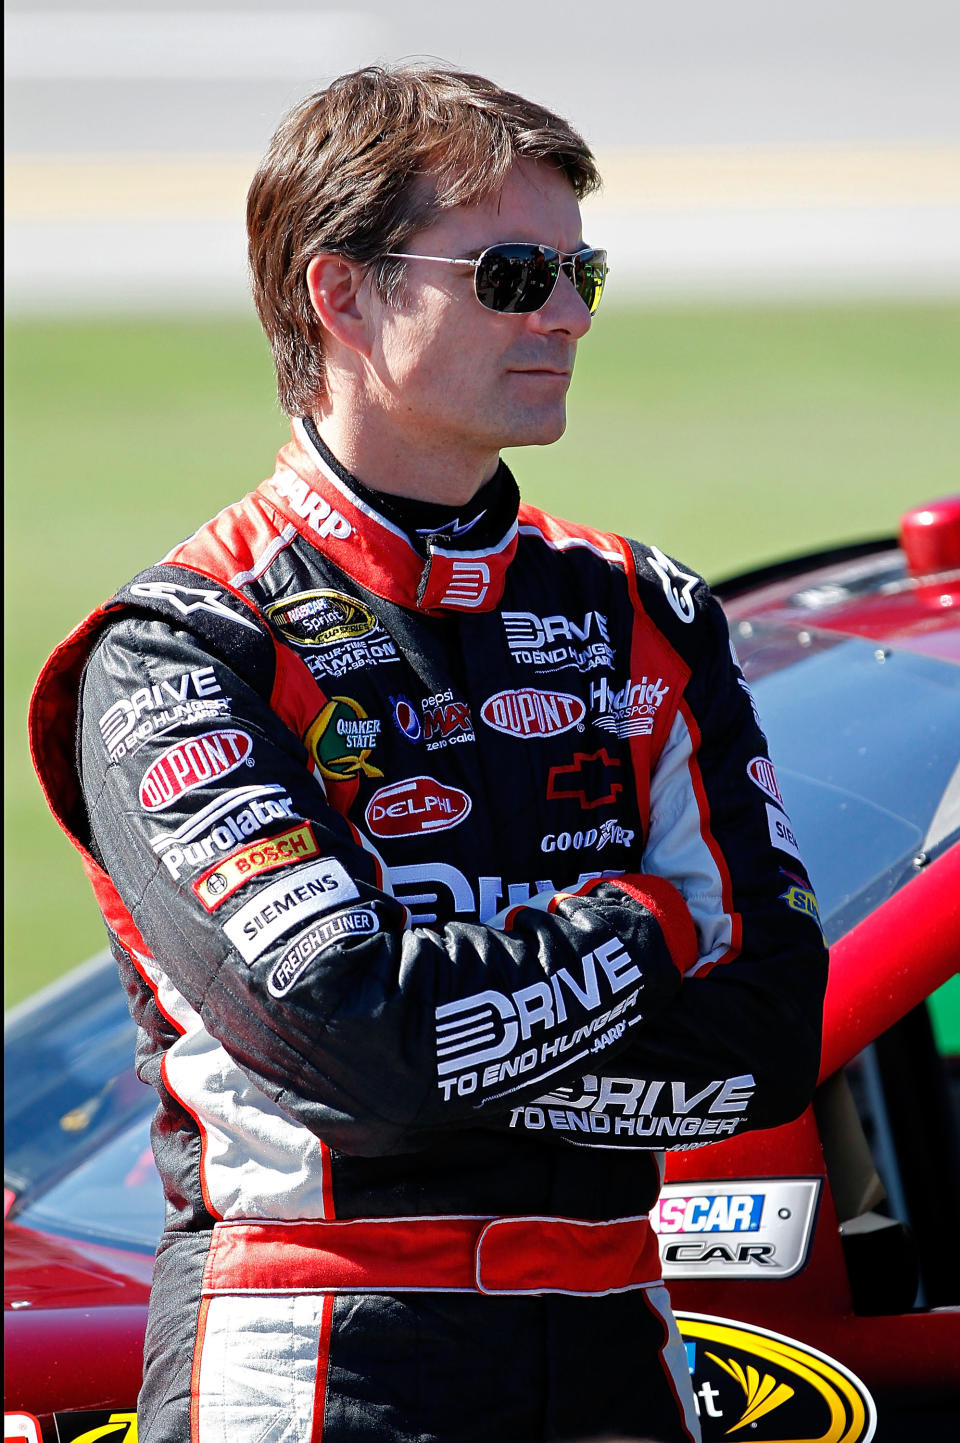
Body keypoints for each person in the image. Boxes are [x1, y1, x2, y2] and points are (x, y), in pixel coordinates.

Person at [30, 65, 828, 1443]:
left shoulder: (643, 610)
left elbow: (763, 1046)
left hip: (617, 1345)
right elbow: (346, 1030)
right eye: (514, 273)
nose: (570, 314)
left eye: (586, 271)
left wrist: (443, 1055)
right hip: (314, 1346)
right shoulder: (182, 650)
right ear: (342, 294)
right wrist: (640, 928)